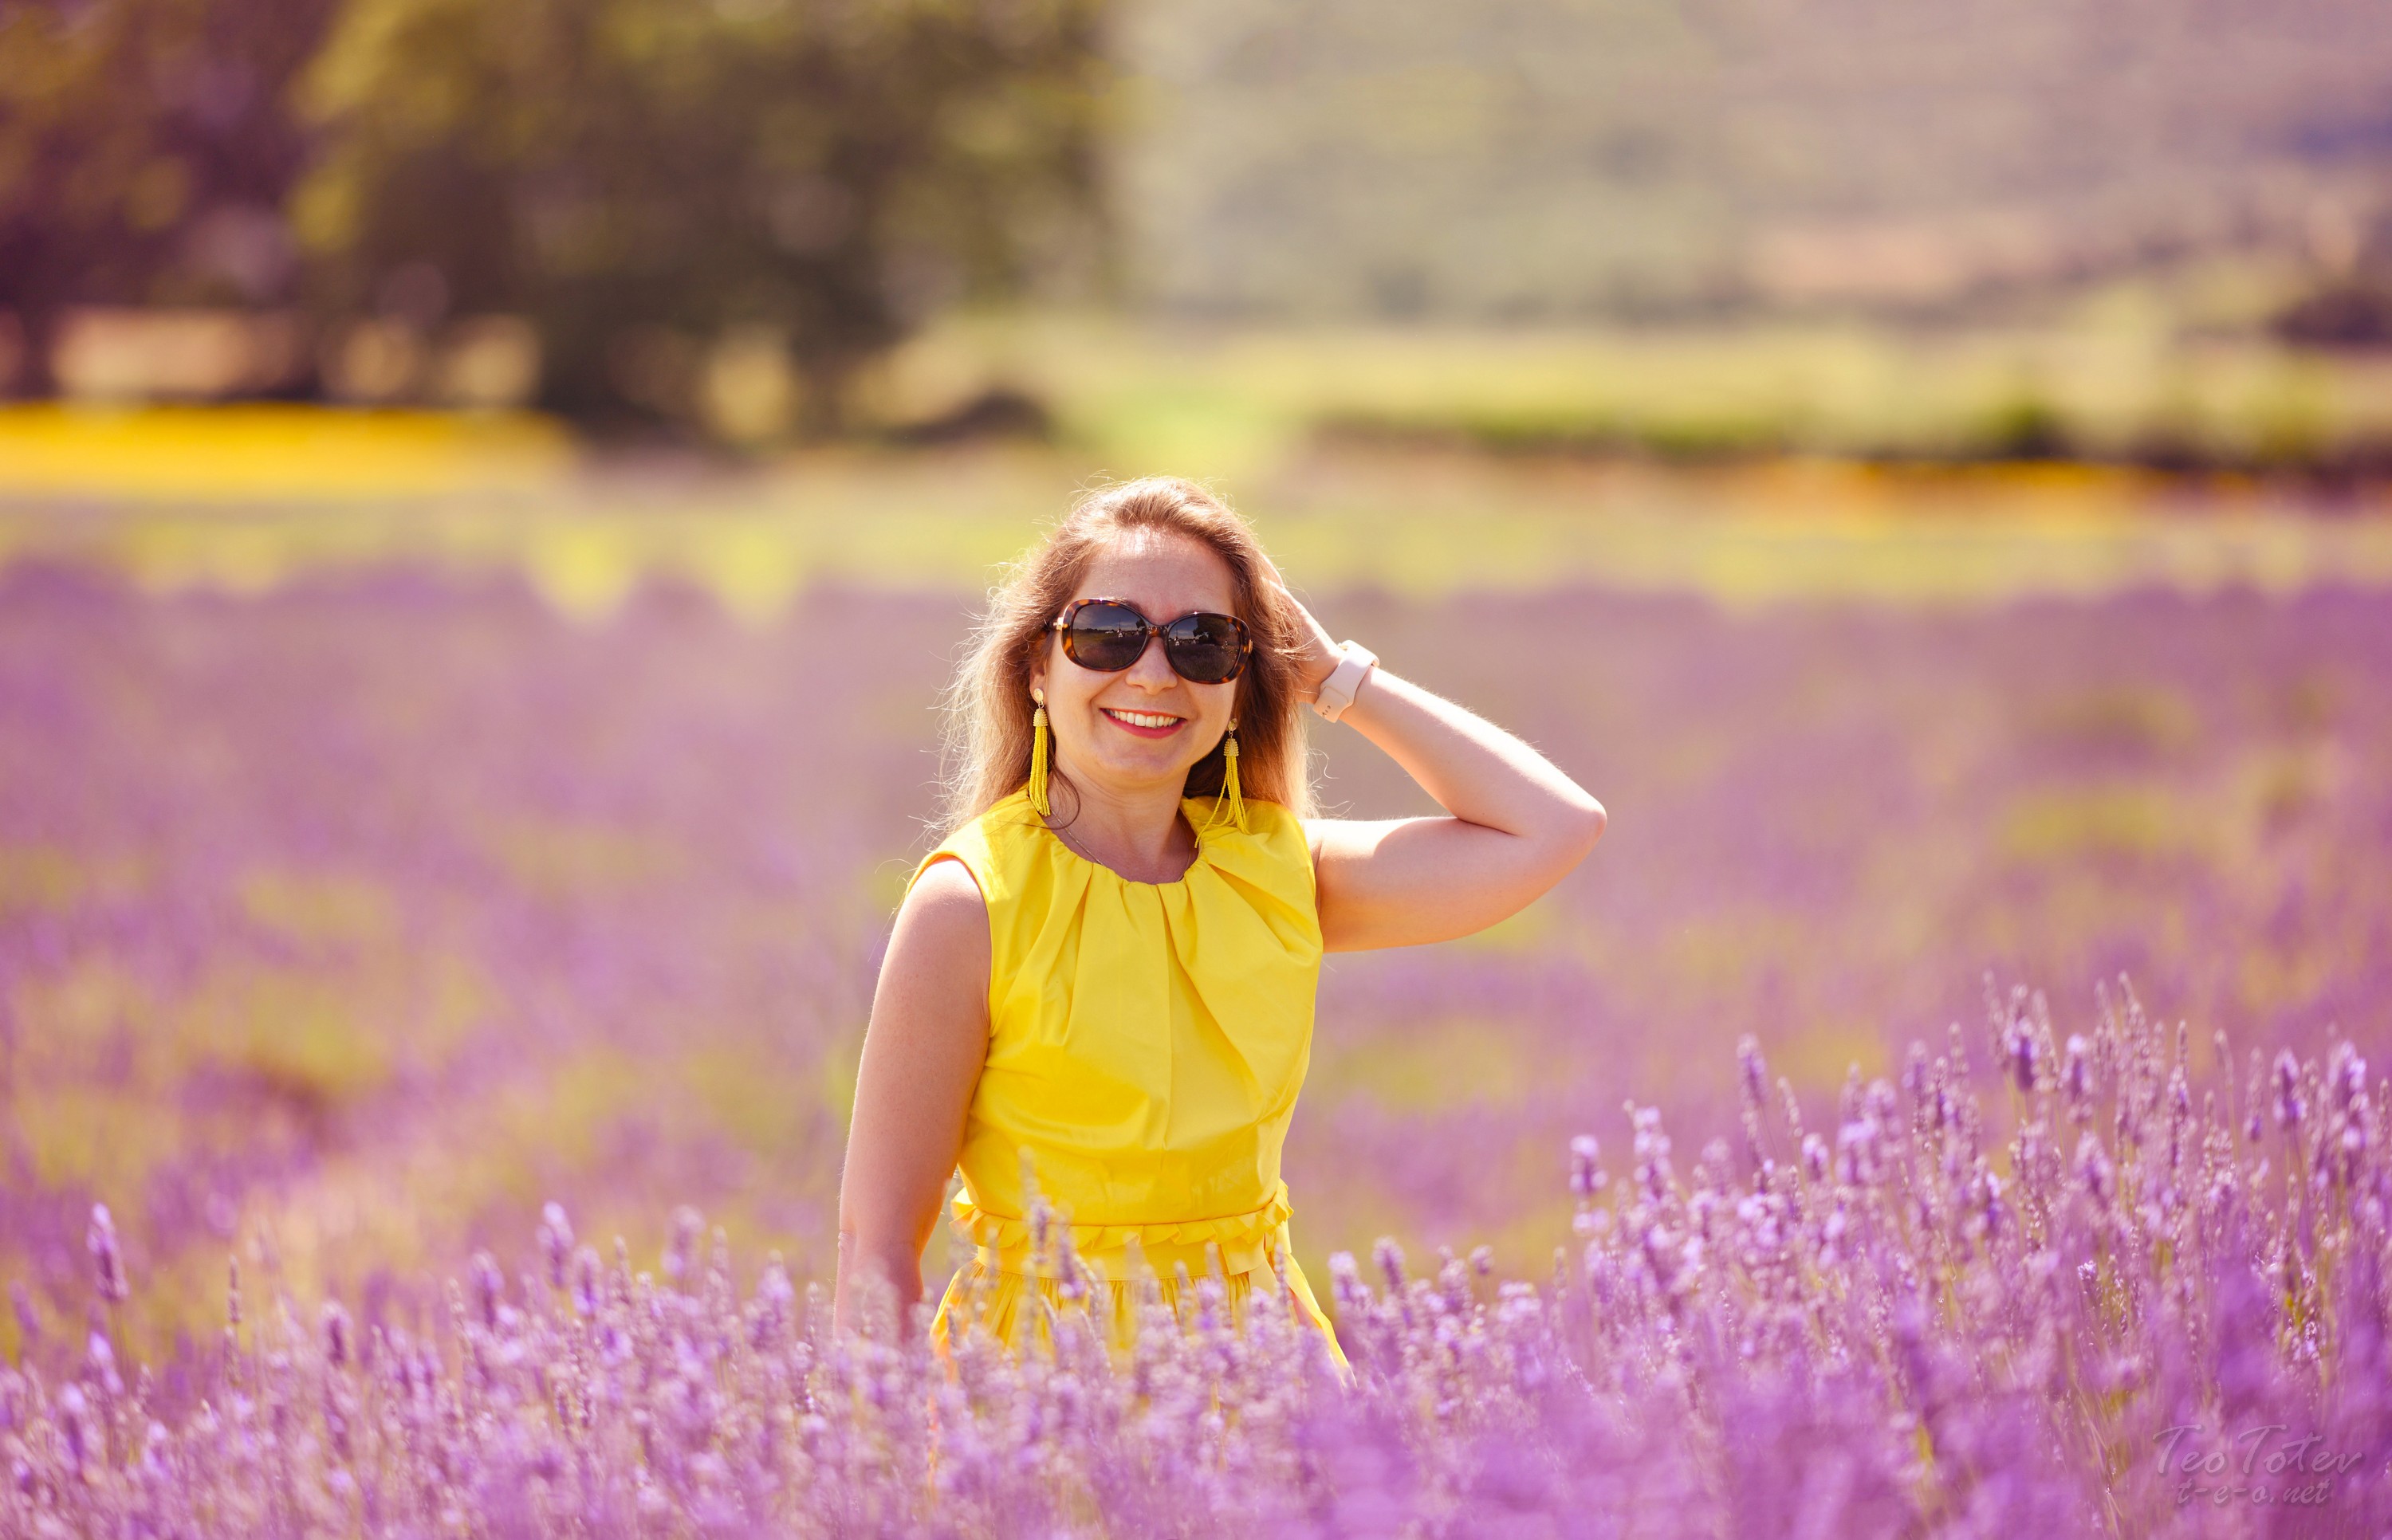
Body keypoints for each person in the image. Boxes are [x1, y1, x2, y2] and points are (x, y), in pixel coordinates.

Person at [832, 477, 1605, 1368]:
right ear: (1038, 668)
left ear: (1242, 686)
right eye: (1108, 633)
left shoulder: (1277, 873)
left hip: (1271, 1383)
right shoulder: (970, 904)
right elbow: (876, 1247)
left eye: (1205, 643)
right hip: (1041, 1391)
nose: (1154, 673)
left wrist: (1334, 676)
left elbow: (1556, 826)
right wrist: (884, 1446)